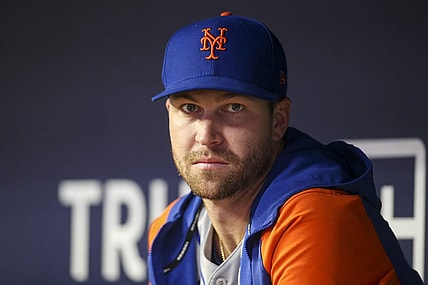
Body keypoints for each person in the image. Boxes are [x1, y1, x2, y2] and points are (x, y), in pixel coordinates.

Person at [147, 12, 423, 285]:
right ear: (170, 113)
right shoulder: (171, 229)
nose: (207, 136)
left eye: (233, 108)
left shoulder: (318, 215)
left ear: (278, 120)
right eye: (190, 108)